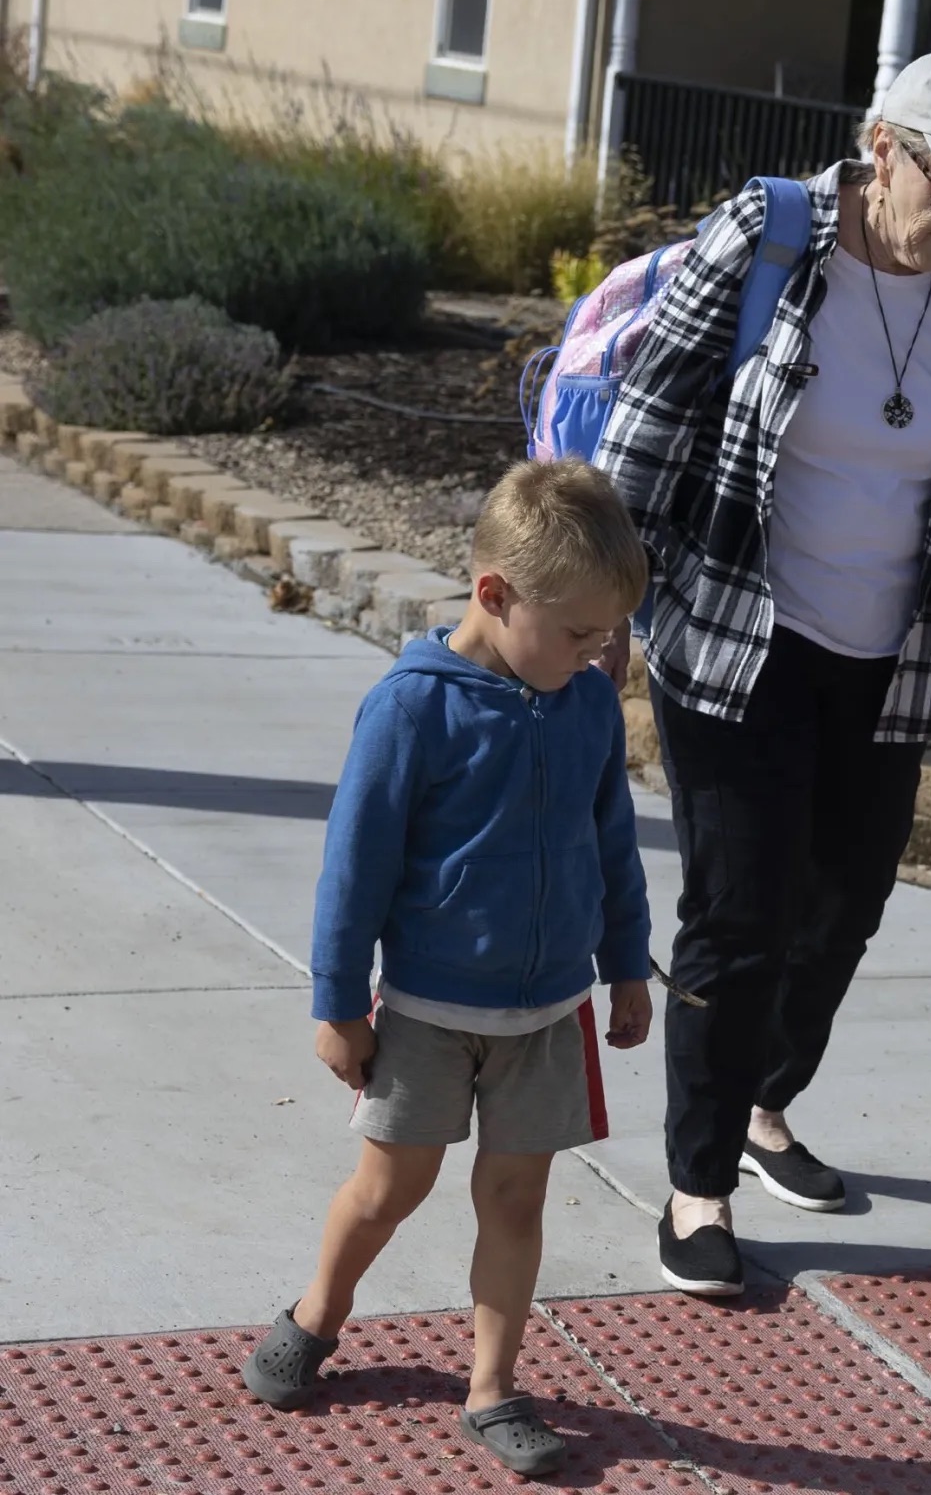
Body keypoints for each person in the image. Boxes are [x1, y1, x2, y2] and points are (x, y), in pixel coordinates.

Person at [594, 49, 931, 1299]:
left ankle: (761, 1099)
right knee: (738, 915)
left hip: (897, 656)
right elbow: (649, 424)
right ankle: (699, 1183)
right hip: (737, 632)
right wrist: (599, 604)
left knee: (843, 909)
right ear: (881, 149)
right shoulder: (768, 238)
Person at [241, 462, 656, 1479]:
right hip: (427, 1009)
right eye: (578, 633)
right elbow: (356, 866)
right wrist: (339, 1003)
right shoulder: (411, 708)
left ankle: (492, 1387)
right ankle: (318, 1313)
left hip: (548, 1013)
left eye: (607, 636)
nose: (597, 655)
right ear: (495, 594)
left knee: (515, 1201)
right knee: (389, 1188)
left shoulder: (586, 705)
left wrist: (626, 964)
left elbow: (613, 844)